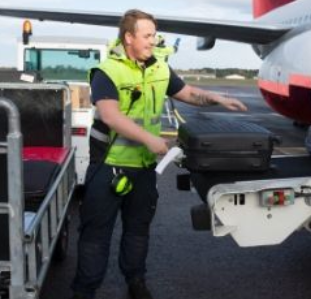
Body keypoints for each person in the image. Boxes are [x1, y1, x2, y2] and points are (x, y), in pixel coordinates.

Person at [70, 9, 247, 299]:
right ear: (129, 37)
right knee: (95, 235)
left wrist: (216, 98)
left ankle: (135, 281)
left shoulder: (159, 68)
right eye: (147, 35)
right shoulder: (108, 72)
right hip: (108, 167)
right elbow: (111, 116)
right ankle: (84, 291)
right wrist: (149, 139)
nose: (153, 41)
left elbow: (187, 93)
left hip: (143, 169)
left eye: (154, 34)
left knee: (138, 231)